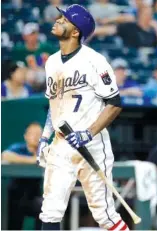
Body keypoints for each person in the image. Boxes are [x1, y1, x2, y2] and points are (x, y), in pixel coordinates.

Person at [36, 5, 129, 230]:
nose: (57, 20)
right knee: (50, 211)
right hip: (61, 144)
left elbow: (115, 104)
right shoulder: (52, 62)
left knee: (104, 215)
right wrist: (45, 137)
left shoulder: (94, 61)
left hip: (92, 145)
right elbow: (54, 104)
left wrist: (87, 133)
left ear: (76, 31)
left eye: (64, 19)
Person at [1, 122, 43, 230]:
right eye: (33, 134)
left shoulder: (44, 152)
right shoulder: (18, 148)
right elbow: (5, 155)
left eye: (39, 134)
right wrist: (32, 160)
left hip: (33, 198)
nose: (36, 137)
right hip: (14, 197)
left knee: (45, 207)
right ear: (26, 136)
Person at [12, 22, 56, 91]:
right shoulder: (19, 50)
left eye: (35, 33)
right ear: (24, 36)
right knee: (31, 75)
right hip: (29, 77)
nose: (34, 36)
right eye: (31, 34)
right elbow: (17, 68)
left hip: (47, 75)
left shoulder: (47, 47)